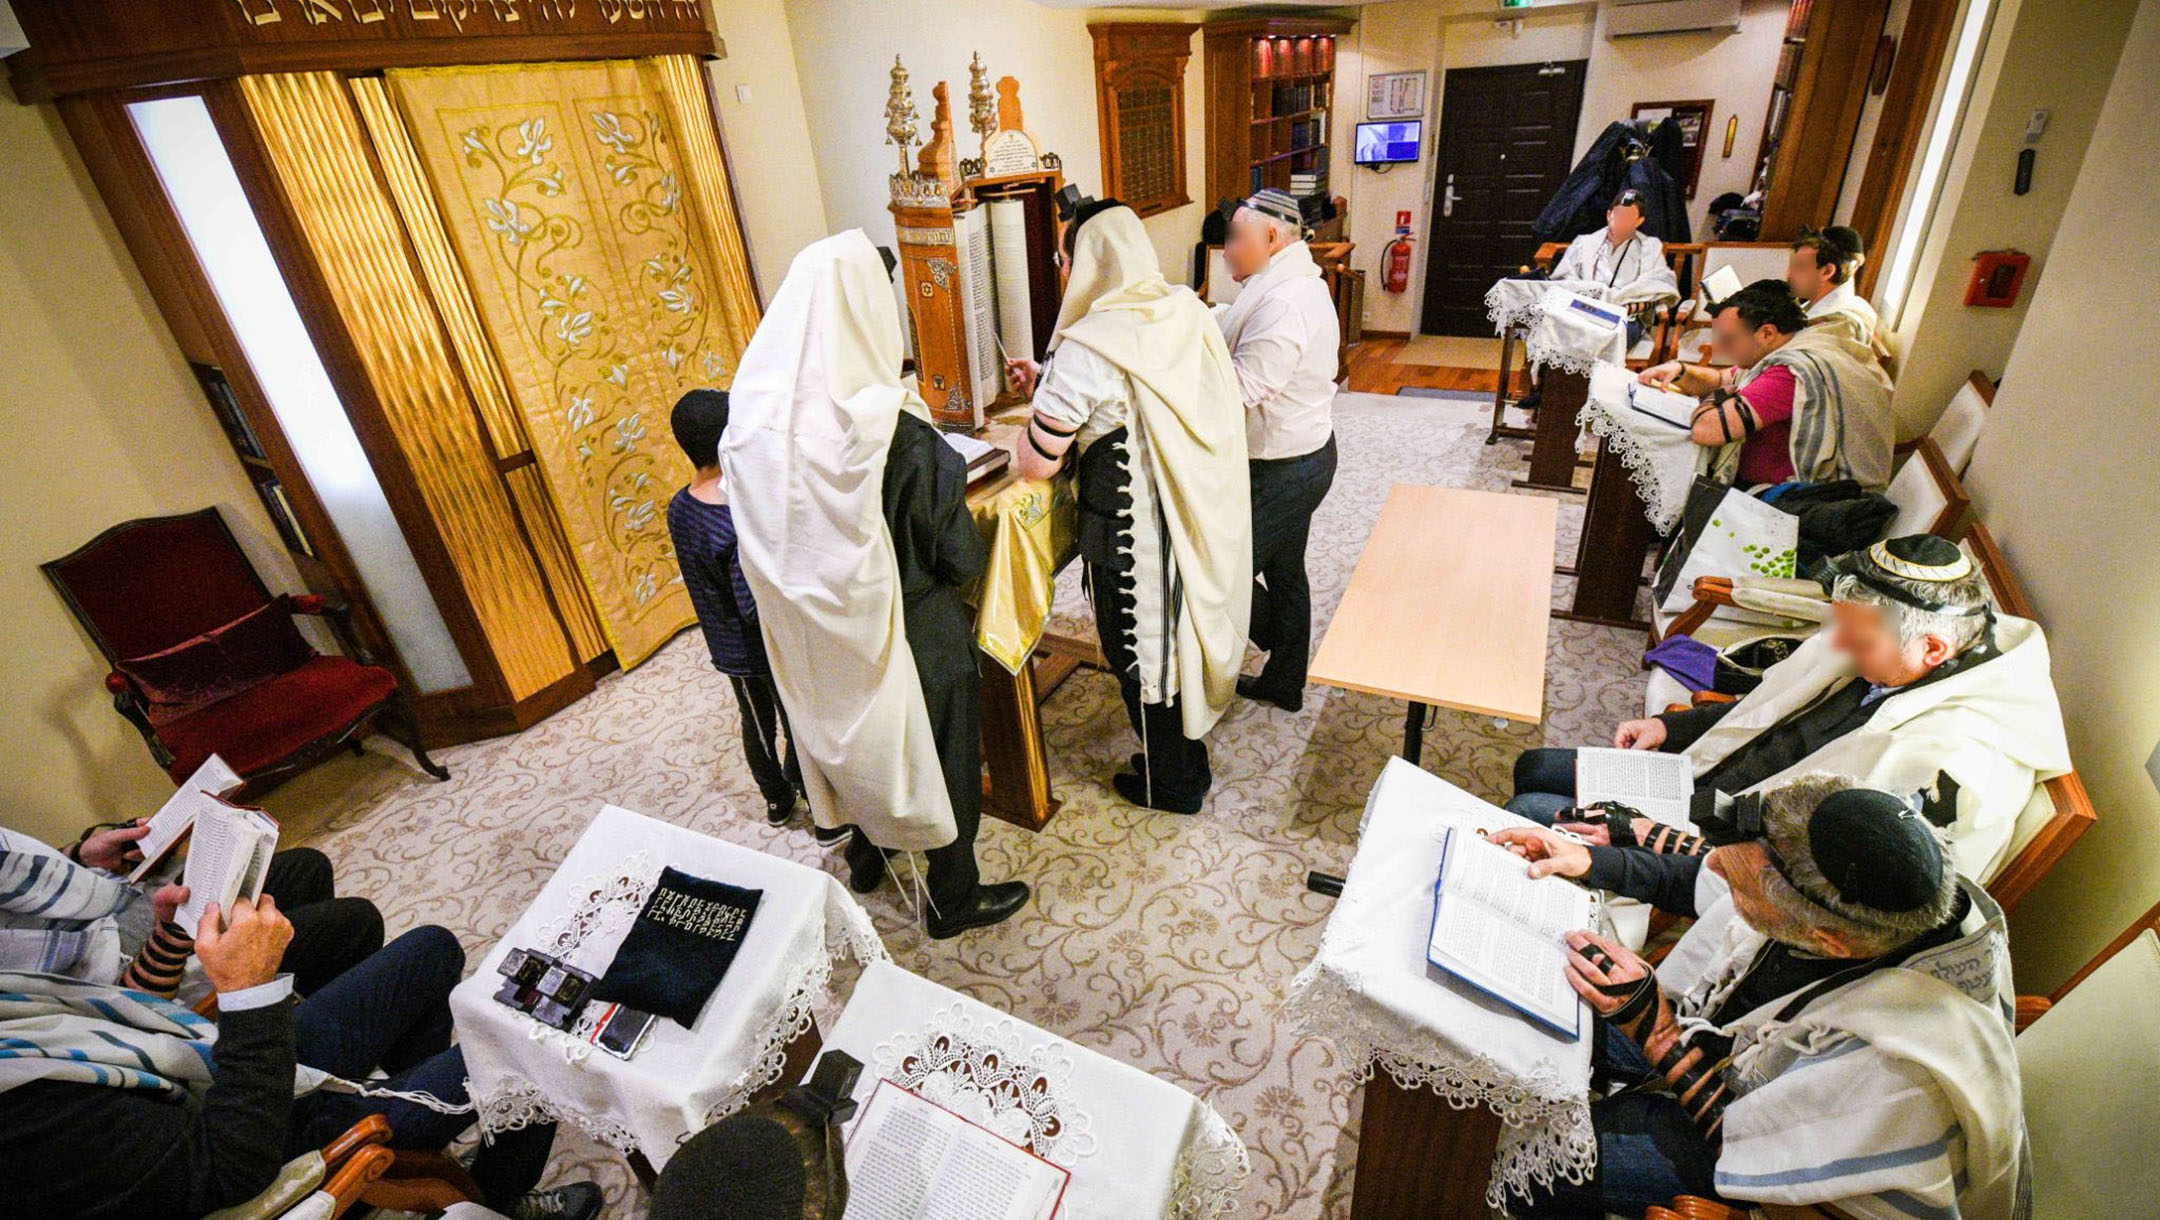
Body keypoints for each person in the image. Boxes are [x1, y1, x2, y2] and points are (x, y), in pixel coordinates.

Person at [1488, 775, 2025, 1220]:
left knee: (1550, 1164)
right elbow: (1724, 866)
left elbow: (1749, 1144)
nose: (1714, 869)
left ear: (1826, 942)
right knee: (1538, 1002)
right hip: (1725, 1048)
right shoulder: (1872, 883)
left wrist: (1654, 1028)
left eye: (1739, 889)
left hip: (1794, 1182)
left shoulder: (1896, 1070)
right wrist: (1593, 861)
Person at [721, 229, 1027, 939]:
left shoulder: (752, 425)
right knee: (942, 755)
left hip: (805, 633)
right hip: (911, 628)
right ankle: (954, 897)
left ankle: (864, 853)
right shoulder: (899, 434)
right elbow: (957, 558)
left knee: (845, 745)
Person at [1508, 534, 2071, 882]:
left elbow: (1815, 881)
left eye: (1859, 641)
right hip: (1704, 783)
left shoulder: (1953, 755)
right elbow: (1762, 711)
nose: (1840, 649)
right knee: (1535, 766)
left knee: (1534, 807)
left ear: (1933, 648)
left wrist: (1654, 839)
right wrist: (1666, 726)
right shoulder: (1889, 650)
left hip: (1732, 847)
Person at [0, 896, 601, 1220]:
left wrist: (172, 938)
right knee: (525, 1045)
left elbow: (120, 1012)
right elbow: (229, 1169)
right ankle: (496, 1196)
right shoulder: (21, 1122)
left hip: (211, 1070)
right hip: (258, 1144)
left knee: (432, 950)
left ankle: (422, 1138)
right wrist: (249, 999)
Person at [1006, 200, 1251, 815]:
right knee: (1175, 644)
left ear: (1089, 261)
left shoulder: (1094, 344)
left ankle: (1174, 784)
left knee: (1139, 650)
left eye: (1066, 260)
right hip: (1190, 507)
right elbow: (1140, 397)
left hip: (1131, 530)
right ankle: (1183, 759)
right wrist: (1048, 381)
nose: (1065, 273)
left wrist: (1044, 400)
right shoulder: (1184, 310)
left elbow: (1036, 462)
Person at [666, 387, 833, 835]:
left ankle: (776, 798)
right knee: (793, 717)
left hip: (723, 643)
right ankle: (800, 790)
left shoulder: (680, 506)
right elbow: (751, 602)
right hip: (756, 644)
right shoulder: (735, 514)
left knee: (756, 720)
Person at [1212, 190, 1340, 713]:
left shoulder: (1285, 299)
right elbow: (1230, 323)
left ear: (1270, 237)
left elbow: (1242, 390)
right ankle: (1285, 679)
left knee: (1220, 577)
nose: (1225, 250)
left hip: (1284, 468)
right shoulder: (1280, 281)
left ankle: (1272, 659)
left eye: (1234, 238)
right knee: (1285, 570)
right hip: (1301, 455)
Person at [17, 817, 382, 999]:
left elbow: (27, 881)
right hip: (121, 973)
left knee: (307, 865)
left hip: (114, 909)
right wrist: (172, 936)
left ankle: (307, 998)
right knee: (357, 921)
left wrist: (80, 855)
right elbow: (109, 1003)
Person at [1638, 278, 1894, 491]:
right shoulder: (1785, 345)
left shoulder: (1788, 372)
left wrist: (1715, 400)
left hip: (1793, 497)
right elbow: (1723, 379)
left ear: (1767, 333)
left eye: (1729, 339)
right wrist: (1679, 370)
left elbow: (1707, 430)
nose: (1722, 348)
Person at [1548, 189, 1680, 350]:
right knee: (1557, 333)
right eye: (1617, 215)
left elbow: (1658, 282)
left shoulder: (1649, 247)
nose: (1620, 221)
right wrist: (1591, 292)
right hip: (1585, 310)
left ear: (1639, 221)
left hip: (1625, 316)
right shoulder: (1585, 243)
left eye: (1628, 217)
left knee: (1602, 341)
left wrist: (1619, 297)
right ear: (1609, 214)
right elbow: (1563, 277)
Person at [1787, 225, 1879, 347]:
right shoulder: (1813, 304)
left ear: (1827, 272)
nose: (1789, 275)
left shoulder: (1837, 324)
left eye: (1800, 267)